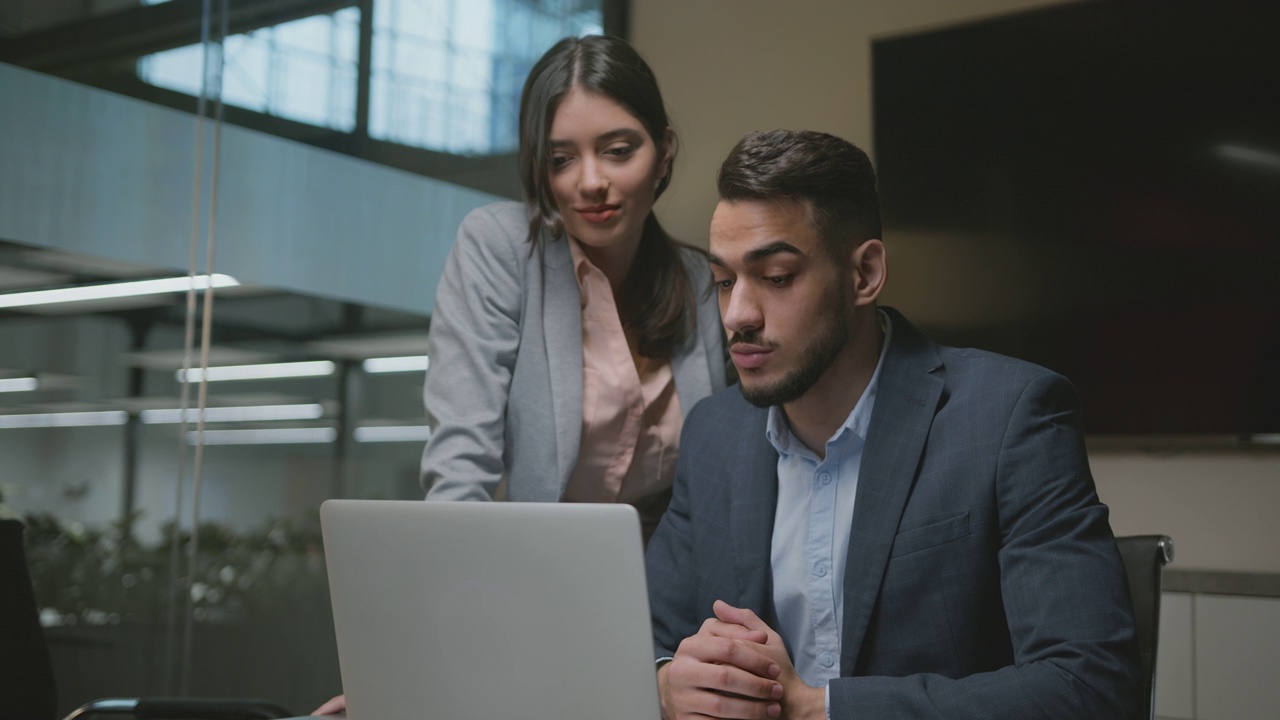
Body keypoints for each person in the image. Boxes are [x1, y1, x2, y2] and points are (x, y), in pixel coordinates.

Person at [646, 130, 1141, 720]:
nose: (737, 315)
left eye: (776, 276)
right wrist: (668, 685)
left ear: (865, 273)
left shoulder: (1011, 414)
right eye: (725, 281)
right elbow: (649, 642)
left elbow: (1089, 685)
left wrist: (818, 709)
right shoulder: (712, 433)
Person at [312, 34, 727, 717]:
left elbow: (720, 485)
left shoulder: (699, 282)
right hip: (512, 599)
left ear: (665, 152)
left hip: (668, 618)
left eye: (619, 149)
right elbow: (460, 468)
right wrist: (414, 665)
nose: (589, 181)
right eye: (561, 159)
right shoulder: (501, 247)